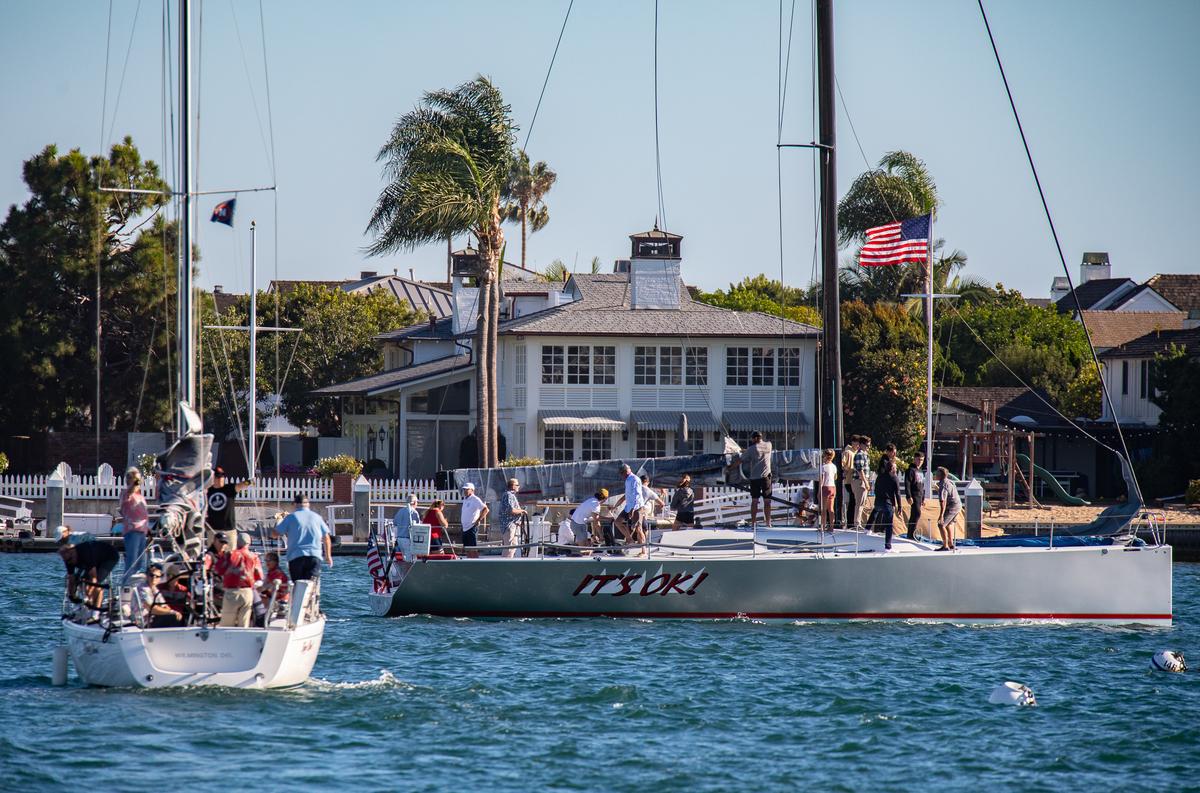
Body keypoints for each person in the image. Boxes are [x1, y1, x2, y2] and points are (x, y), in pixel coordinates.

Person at [272, 493, 333, 580]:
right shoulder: (317, 517)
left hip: (296, 557)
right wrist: (328, 556)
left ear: (295, 504)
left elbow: (275, 534)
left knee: (298, 585)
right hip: (314, 557)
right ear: (308, 504)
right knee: (311, 586)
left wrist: (279, 526)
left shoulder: (291, 518)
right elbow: (326, 538)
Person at [215, 531, 263, 627]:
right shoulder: (254, 557)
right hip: (248, 593)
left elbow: (218, 570)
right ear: (249, 543)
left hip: (232, 593)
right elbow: (260, 576)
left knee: (226, 625)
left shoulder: (229, 555)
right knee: (244, 625)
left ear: (237, 542)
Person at [58, 537, 120, 610]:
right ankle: (90, 606)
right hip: (96, 558)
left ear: (73, 552)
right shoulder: (68, 559)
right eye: (67, 561)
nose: (70, 563)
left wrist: (88, 597)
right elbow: (71, 578)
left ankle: (96, 612)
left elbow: (94, 578)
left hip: (109, 556)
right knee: (83, 582)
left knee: (96, 584)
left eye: (70, 560)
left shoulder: (85, 553)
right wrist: (71, 595)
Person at [734, 431, 774, 527]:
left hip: (755, 478)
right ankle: (768, 523)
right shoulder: (769, 445)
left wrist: (729, 468)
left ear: (755, 438)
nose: (751, 440)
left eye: (752, 438)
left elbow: (740, 460)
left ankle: (753, 523)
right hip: (766, 478)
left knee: (755, 501)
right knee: (767, 501)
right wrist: (747, 451)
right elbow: (759, 450)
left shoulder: (751, 449)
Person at [119, 467, 150, 583]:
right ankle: (125, 585)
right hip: (132, 531)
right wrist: (135, 481)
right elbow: (130, 490)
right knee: (131, 562)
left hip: (142, 531)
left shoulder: (140, 496)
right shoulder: (126, 494)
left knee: (139, 563)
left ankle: (133, 586)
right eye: (135, 479)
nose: (138, 482)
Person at [205, 466, 253, 534]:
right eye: (218, 476)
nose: (220, 478)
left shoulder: (229, 489)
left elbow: (240, 485)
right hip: (213, 530)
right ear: (213, 478)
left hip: (229, 530)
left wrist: (249, 482)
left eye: (222, 476)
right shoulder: (208, 491)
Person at [869, 456, 902, 550]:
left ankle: (867, 528)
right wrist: (899, 506)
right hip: (887, 503)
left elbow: (876, 489)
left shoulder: (880, 477)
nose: (896, 469)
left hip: (878, 501)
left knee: (875, 511)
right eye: (895, 467)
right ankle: (888, 546)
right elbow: (898, 493)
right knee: (889, 525)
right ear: (892, 468)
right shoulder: (894, 478)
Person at [136, 563, 184, 628]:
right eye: (151, 575)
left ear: (160, 578)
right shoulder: (142, 588)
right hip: (142, 622)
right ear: (147, 576)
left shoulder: (156, 589)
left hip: (152, 619)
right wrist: (171, 612)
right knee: (172, 616)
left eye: (157, 576)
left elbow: (165, 606)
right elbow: (152, 608)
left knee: (175, 617)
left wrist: (173, 612)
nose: (154, 578)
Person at [616, 464, 645, 555]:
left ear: (627, 471)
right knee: (618, 522)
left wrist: (633, 509)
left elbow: (637, 495)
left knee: (638, 528)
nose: (622, 475)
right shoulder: (627, 480)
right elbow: (627, 495)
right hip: (628, 506)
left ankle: (644, 551)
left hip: (637, 507)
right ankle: (630, 539)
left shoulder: (634, 479)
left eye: (622, 473)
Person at [496, 478, 527, 558]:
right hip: (509, 525)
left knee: (513, 546)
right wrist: (522, 511)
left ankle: (508, 563)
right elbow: (511, 510)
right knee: (509, 547)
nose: (519, 487)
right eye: (517, 485)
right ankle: (505, 565)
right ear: (513, 486)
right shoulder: (509, 495)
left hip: (513, 525)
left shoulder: (509, 495)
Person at [569, 489, 607, 553]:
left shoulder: (591, 500)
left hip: (576, 523)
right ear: (605, 498)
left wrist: (594, 534)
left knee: (586, 546)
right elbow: (596, 521)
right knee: (584, 549)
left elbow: (594, 519)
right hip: (579, 525)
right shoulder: (596, 504)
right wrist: (601, 536)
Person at [934, 467, 961, 551]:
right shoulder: (948, 482)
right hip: (957, 505)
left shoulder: (943, 485)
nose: (935, 475)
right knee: (948, 524)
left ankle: (945, 546)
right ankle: (951, 544)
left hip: (952, 506)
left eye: (936, 473)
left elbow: (943, 501)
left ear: (940, 475)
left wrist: (941, 515)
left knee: (941, 524)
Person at [460, 483, 487, 559]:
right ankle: (469, 564)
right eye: (464, 489)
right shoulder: (465, 499)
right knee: (467, 549)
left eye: (467, 489)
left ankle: (475, 564)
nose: (465, 491)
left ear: (472, 490)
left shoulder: (475, 499)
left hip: (471, 527)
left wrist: (478, 520)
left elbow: (485, 509)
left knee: (473, 549)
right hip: (465, 528)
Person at [851, 436, 872, 529]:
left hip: (863, 480)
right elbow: (860, 470)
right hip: (859, 481)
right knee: (859, 503)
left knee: (862, 503)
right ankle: (857, 523)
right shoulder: (860, 454)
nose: (868, 447)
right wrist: (866, 482)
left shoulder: (865, 454)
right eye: (867, 445)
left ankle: (858, 522)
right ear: (862, 445)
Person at [904, 450, 926, 540]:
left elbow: (922, 485)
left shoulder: (920, 471)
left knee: (916, 514)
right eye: (918, 459)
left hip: (920, 496)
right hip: (913, 495)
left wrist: (923, 498)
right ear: (914, 459)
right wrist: (908, 496)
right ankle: (910, 534)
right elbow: (907, 483)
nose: (920, 462)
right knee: (916, 513)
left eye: (922, 460)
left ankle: (911, 533)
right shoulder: (910, 470)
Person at [839, 436, 859, 530]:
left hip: (854, 480)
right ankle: (850, 523)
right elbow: (842, 464)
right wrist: (848, 470)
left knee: (853, 502)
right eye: (857, 443)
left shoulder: (855, 452)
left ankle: (851, 522)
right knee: (851, 502)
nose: (858, 446)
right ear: (853, 442)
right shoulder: (848, 452)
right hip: (849, 480)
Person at [819, 449, 838, 532]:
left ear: (826, 456)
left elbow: (822, 480)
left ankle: (822, 527)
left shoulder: (823, 467)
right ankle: (831, 526)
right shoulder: (834, 466)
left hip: (825, 487)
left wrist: (819, 492)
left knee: (823, 509)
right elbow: (835, 478)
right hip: (833, 487)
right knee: (831, 509)